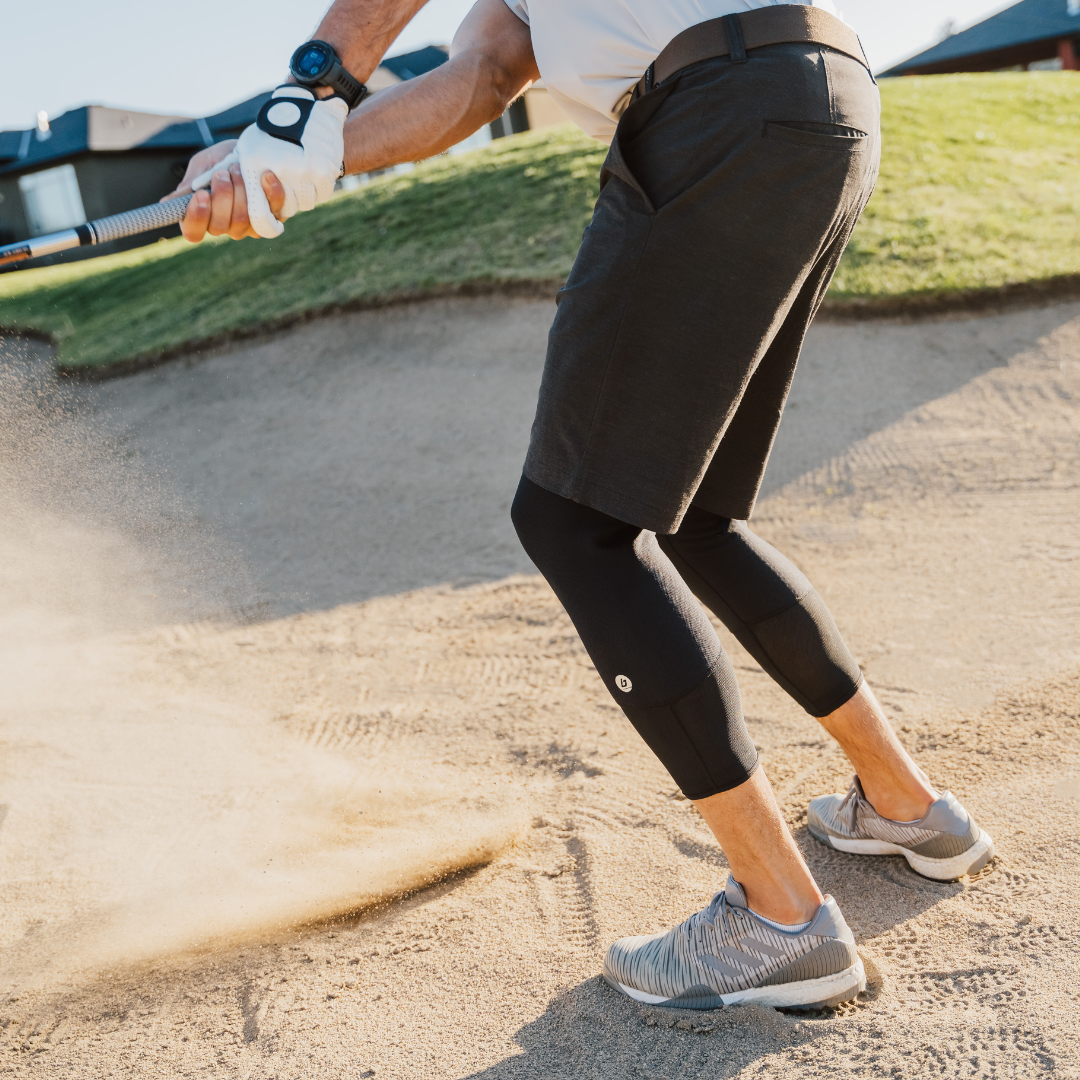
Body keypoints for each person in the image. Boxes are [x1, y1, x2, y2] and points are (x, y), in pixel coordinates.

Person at [169, 0, 994, 1010]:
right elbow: (479, 76)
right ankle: (906, 805)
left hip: (714, 113)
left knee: (574, 522)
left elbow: (384, 29)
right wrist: (290, 165)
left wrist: (298, 103)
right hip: (818, 98)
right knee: (697, 517)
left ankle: (781, 914)